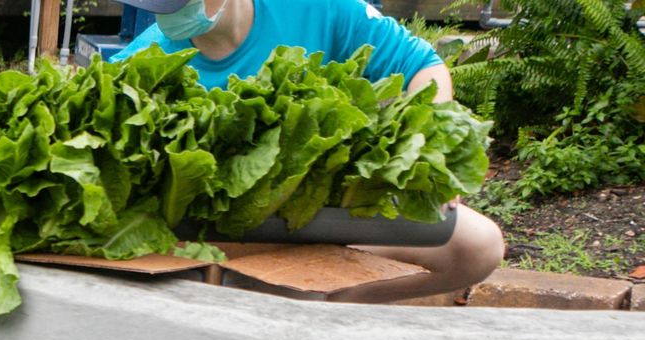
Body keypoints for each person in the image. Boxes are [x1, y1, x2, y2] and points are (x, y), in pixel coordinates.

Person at [112, 0, 504, 303]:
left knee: (478, 245)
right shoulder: (145, 62)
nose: (170, 16)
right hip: (230, 238)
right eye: (160, 7)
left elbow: (424, 67)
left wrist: (434, 151)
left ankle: (333, 305)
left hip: (333, 219)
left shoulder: (315, 7)